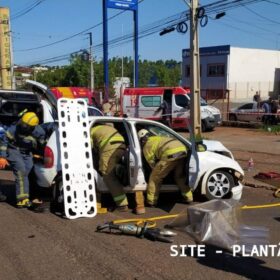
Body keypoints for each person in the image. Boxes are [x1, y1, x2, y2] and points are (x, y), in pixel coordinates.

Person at [0, 112, 49, 208]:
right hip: (13, 149)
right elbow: (4, 141)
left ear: (32, 127)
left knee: (27, 171)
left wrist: (44, 155)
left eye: (25, 125)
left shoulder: (39, 132)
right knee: (21, 171)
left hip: (27, 153)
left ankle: (24, 194)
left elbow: (42, 144)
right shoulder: (15, 128)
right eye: (22, 123)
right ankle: (22, 200)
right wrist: (2, 157)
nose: (22, 125)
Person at [138, 129, 193, 207]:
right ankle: (189, 198)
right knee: (179, 176)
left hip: (170, 154)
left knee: (155, 178)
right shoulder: (158, 137)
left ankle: (151, 201)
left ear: (142, 140)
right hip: (182, 151)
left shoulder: (147, 146)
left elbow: (151, 163)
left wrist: (158, 170)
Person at [90, 123, 129, 212]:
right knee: (111, 170)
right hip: (121, 145)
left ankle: (122, 204)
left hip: (110, 147)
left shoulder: (90, 131)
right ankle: (118, 169)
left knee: (108, 176)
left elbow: (88, 147)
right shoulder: (105, 128)